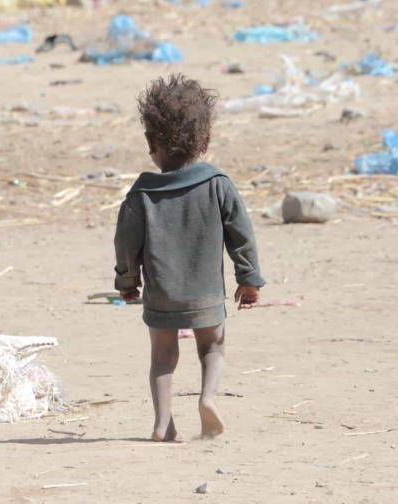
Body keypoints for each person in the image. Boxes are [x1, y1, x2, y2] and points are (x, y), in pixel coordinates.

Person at [113, 74, 265, 441]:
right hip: (206, 293)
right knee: (212, 346)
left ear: (152, 144)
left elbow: (125, 243)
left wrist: (127, 282)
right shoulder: (218, 184)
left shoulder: (141, 194)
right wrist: (249, 278)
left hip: (162, 294)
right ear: (206, 140)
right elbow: (241, 234)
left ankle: (163, 422)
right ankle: (208, 398)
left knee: (162, 358)